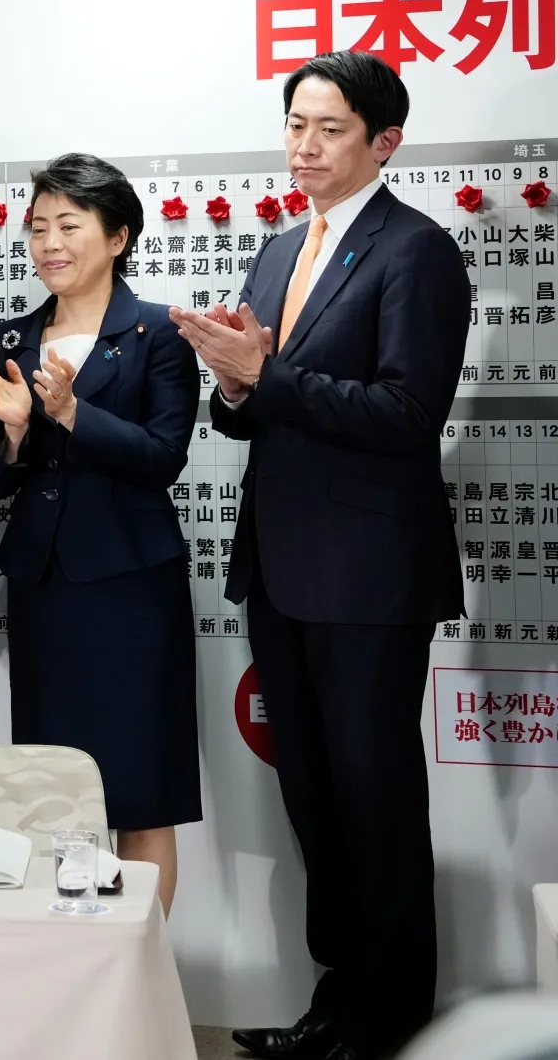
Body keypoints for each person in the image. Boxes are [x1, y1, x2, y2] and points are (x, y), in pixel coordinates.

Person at [170, 52, 466, 1060]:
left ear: (382, 141)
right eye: (294, 123)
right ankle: (332, 1004)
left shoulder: (413, 251)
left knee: (373, 796)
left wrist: (268, 376)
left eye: (327, 127)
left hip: (368, 571)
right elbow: (254, 403)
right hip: (283, 564)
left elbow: (404, 412)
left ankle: (392, 1020)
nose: (302, 145)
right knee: (312, 797)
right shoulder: (275, 250)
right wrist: (236, 382)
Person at [0, 154, 200, 913]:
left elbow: (163, 456)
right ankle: (78, 967)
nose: (48, 243)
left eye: (68, 225)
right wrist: (11, 433)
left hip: (132, 587)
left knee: (140, 791)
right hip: (44, 587)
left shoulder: (159, 331)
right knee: (58, 791)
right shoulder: (12, 334)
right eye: (37, 227)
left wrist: (69, 413)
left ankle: (145, 981)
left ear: (119, 235)